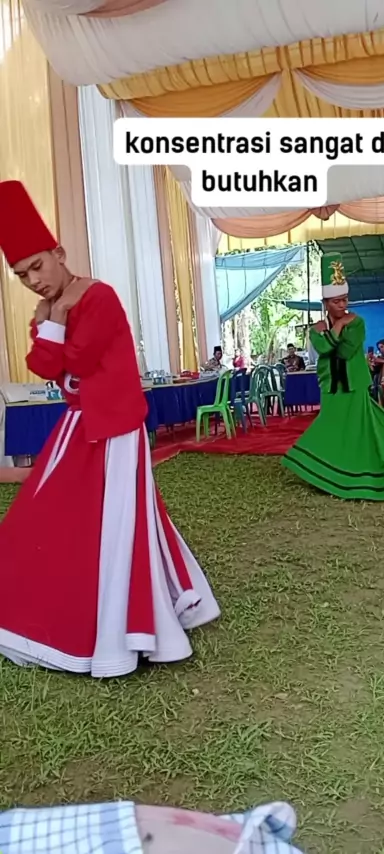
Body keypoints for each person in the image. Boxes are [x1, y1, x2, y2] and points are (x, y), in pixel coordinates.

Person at [0, 180, 220, 677]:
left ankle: (125, 625)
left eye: (37, 266)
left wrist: (56, 318)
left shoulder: (98, 296)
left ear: (58, 254)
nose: (32, 281)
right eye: (21, 274)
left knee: (119, 521)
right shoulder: (50, 308)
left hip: (115, 426)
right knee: (52, 511)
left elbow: (75, 359)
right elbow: (43, 364)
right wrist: (54, 319)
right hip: (79, 424)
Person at [281, 253, 384, 500]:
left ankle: (364, 469)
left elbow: (344, 352)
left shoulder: (357, 322)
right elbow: (323, 349)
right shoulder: (317, 328)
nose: (342, 305)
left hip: (354, 382)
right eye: (336, 301)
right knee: (334, 425)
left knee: (359, 428)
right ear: (325, 303)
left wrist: (331, 333)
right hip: (330, 384)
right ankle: (331, 470)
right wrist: (337, 327)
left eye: (345, 300)